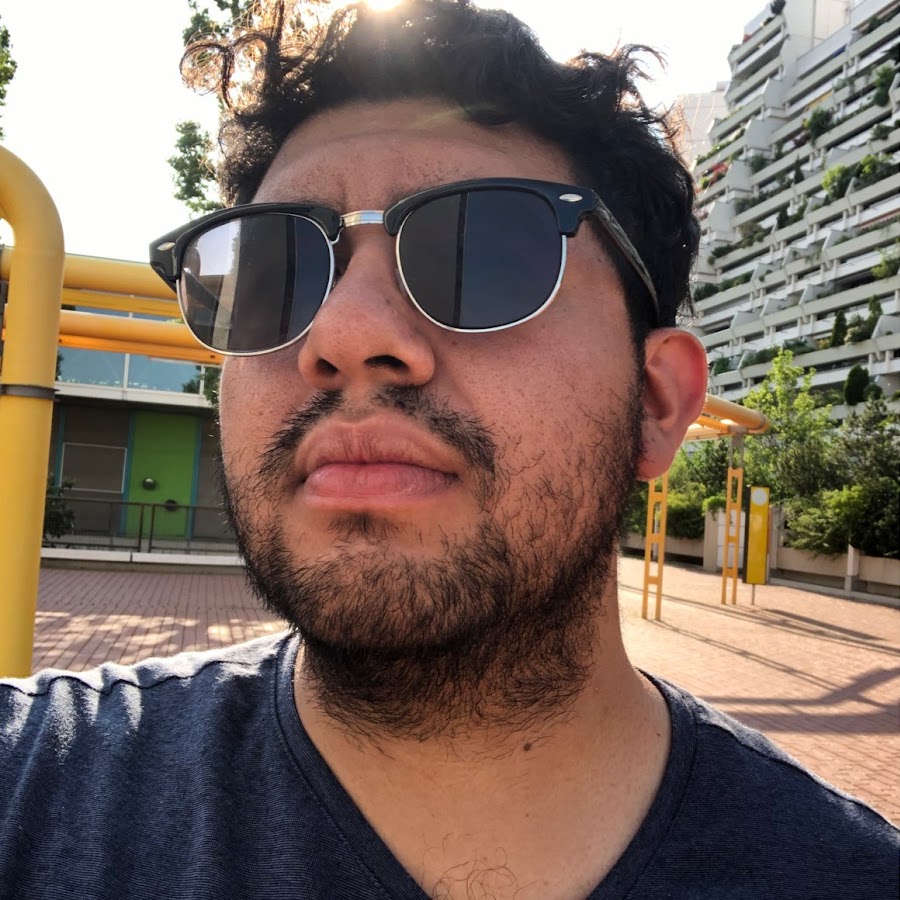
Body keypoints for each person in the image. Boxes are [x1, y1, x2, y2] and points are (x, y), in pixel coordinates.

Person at [1, 2, 897, 897]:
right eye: (276, 274)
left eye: (482, 255)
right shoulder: (29, 784)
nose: (343, 334)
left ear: (657, 405)